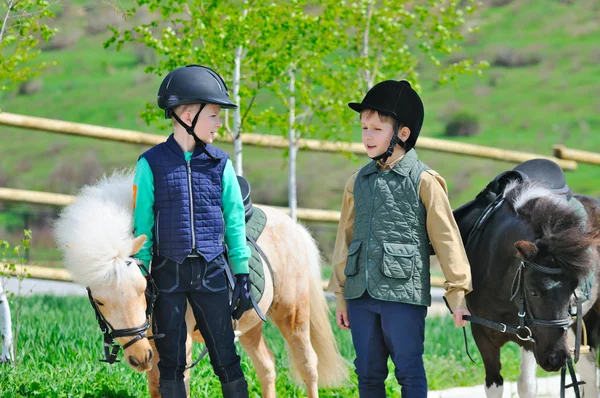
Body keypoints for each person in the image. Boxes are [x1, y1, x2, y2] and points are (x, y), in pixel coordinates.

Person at [327, 80, 473, 397]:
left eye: (376, 129)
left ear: (402, 134)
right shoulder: (357, 181)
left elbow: (447, 239)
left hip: (403, 293)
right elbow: (345, 239)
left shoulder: (425, 180)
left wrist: (458, 292)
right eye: (363, 128)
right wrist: (340, 293)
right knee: (367, 375)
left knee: (409, 372)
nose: (367, 136)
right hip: (360, 294)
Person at [133, 64, 252, 398]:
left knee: (226, 357)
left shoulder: (220, 163)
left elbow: (234, 221)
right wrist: (142, 275)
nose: (219, 124)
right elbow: (142, 227)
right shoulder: (150, 164)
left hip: (212, 273)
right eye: (214, 115)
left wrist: (241, 274)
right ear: (188, 114)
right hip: (167, 275)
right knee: (169, 363)